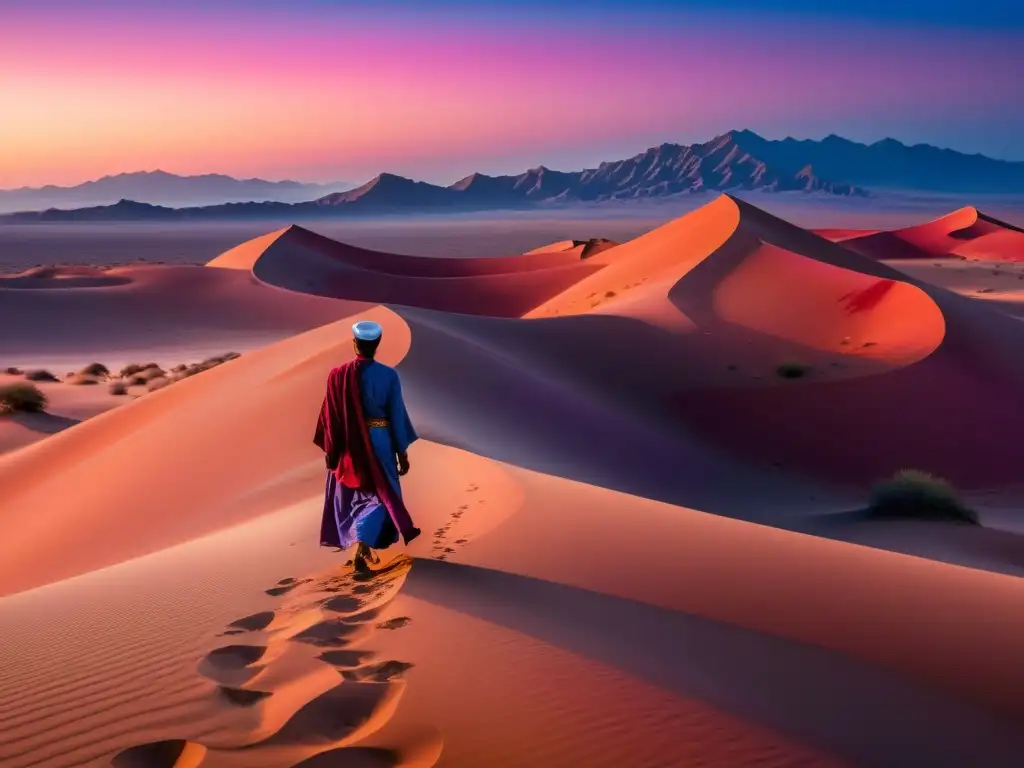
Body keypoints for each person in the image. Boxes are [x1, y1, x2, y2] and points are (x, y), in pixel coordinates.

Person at [314, 320, 421, 573]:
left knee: (356, 495)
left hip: (349, 444)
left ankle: (362, 545)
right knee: (381, 496)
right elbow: (396, 415)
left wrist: (332, 450)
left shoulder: (337, 375)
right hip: (380, 440)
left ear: (355, 343)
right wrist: (401, 453)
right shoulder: (389, 375)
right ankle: (363, 547)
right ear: (377, 345)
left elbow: (330, 417)